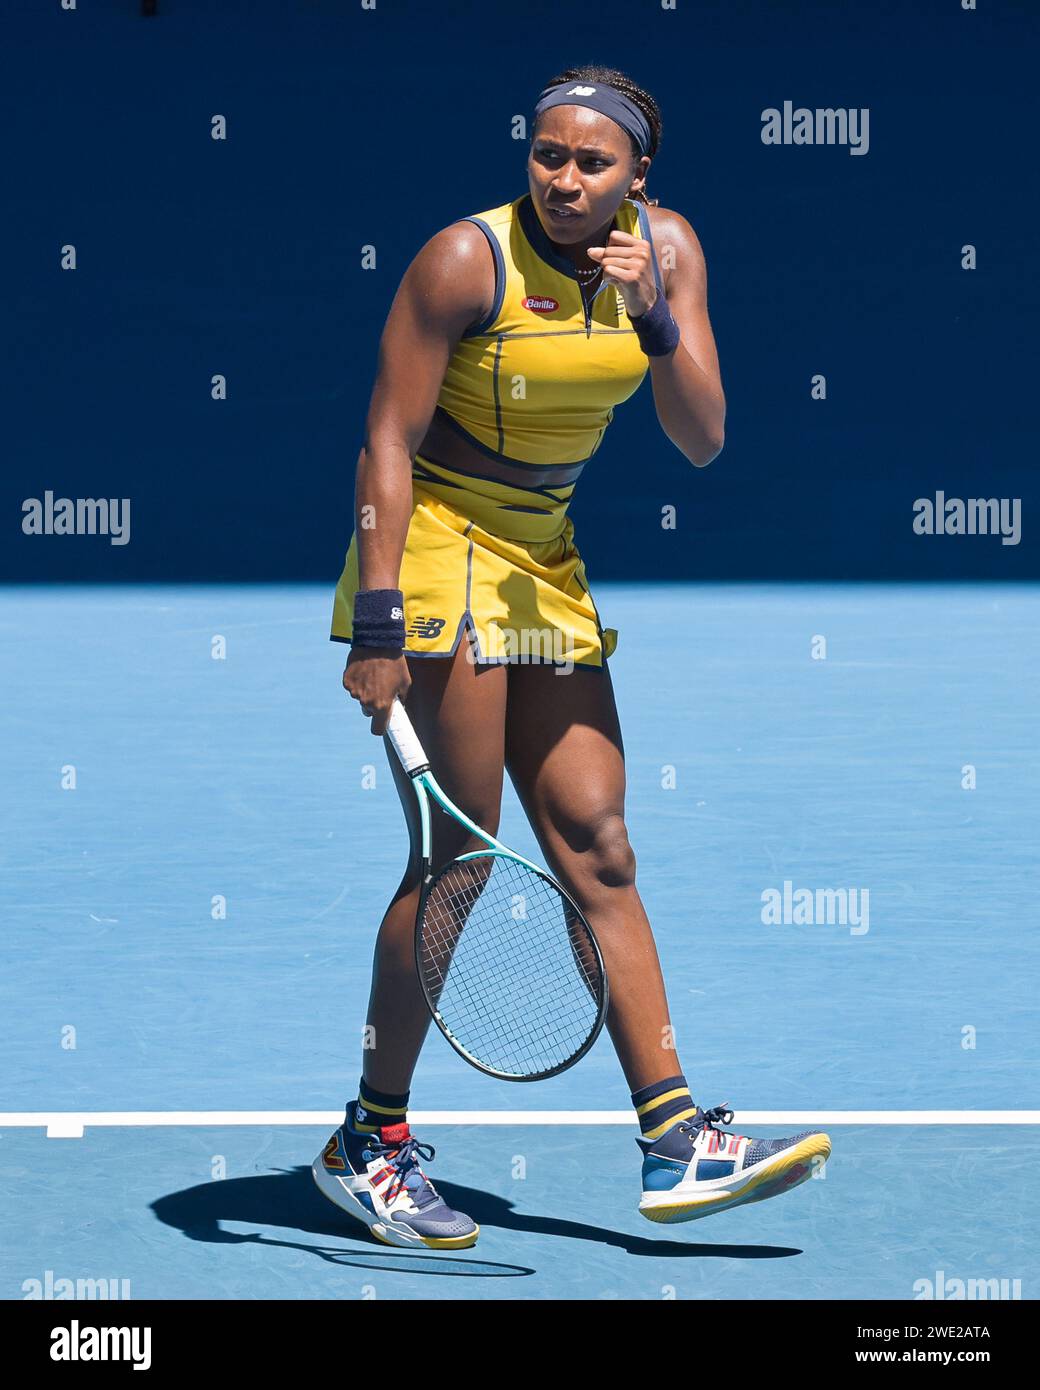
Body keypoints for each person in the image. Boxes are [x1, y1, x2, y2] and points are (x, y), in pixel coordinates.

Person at [311, 66, 831, 1249]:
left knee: (597, 836)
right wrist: (380, 621)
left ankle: (674, 1137)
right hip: (436, 541)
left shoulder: (671, 251)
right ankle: (371, 1142)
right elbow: (385, 440)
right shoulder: (462, 261)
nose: (563, 179)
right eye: (546, 155)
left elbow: (701, 439)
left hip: (542, 552)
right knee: (458, 857)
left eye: (591, 163)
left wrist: (653, 314)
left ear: (635, 176)